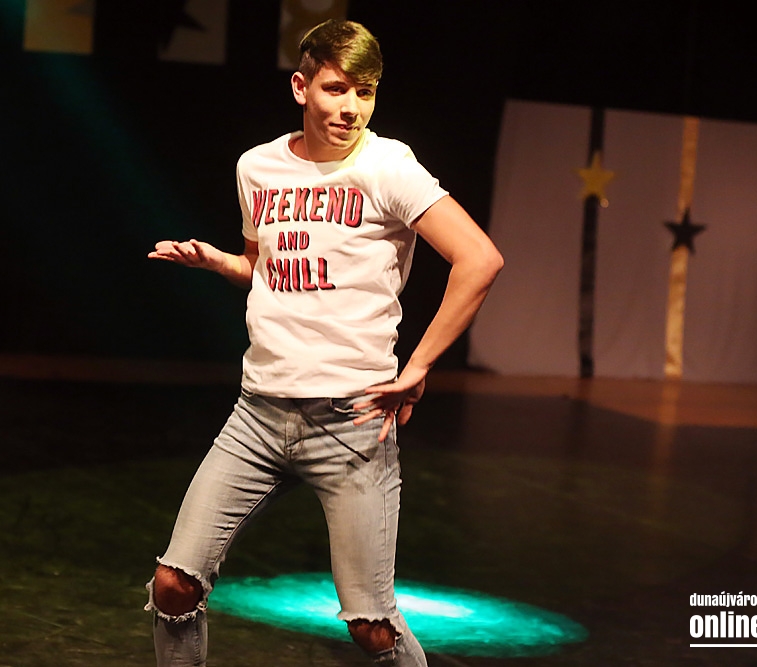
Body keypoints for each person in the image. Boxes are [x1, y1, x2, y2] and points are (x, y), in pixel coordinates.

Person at [145, 18, 502, 666]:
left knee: (371, 626)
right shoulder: (257, 167)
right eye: (337, 89)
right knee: (174, 584)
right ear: (301, 87)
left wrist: (419, 366)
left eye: (365, 92)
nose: (351, 108)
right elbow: (265, 265)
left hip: (351, 422)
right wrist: (219, 261)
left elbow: (479, 258)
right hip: (258, 414)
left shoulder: (388, 166)